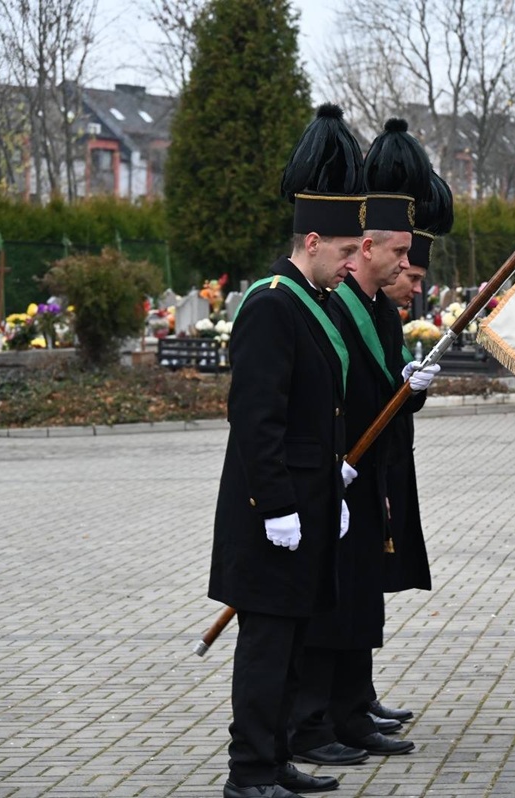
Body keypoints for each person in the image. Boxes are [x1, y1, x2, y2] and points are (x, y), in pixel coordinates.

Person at [208, 103, 365, 798]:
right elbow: (256, 418)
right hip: (271, 515)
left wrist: (329, 486)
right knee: (267, 649)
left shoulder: (313, 302)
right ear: (313, 241)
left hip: (307, 505)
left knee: (294, 643)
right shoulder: (273, 303)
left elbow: (318, 415)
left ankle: (275, 761)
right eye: (345, 252)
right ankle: (248, 774)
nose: (352, 264)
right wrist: (275, 504)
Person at [288, 118, 434, 766]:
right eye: (398, 253)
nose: (407, 265)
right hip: (340, 474)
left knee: (360, 598)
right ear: (365, 246)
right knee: (338, 603)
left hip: (369, 475)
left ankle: (351, 706)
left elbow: (378, 387)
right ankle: (319, 718)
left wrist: (411, 388)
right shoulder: (334, 303)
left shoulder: (374, 308)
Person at [368, 171, 455, 725]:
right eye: (408, 269)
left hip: (387, 465)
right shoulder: (360, 307)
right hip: (360, 470)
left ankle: (357, 695)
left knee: (368, 589)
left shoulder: (382, 312)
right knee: (355, 590)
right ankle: (341, 704)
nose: (414, 284)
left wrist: (411, 387)